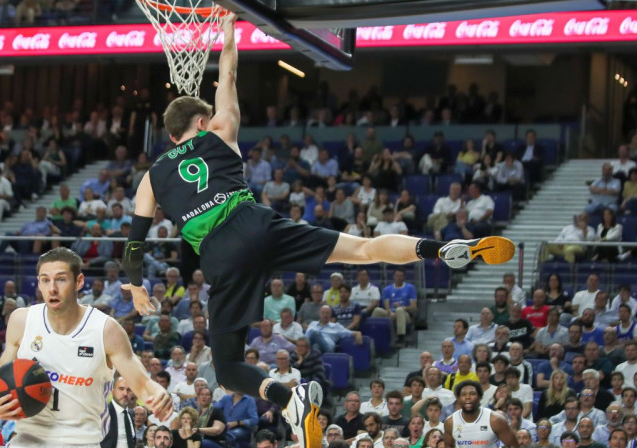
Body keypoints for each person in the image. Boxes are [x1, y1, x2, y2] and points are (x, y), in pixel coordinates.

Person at [122, 13, 515, 448]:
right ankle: (442, 249)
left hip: (219, 252)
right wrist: (229, 26)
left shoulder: (151, 177)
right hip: (257, 223)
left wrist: (137, 287)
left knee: (230, 367)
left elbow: (135, 241)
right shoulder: (221, 130)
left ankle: (289, 400)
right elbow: (228, 70)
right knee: (365, 250)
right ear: (201, 123)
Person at [0, 248, 173, 447]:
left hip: (81, 441)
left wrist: (157, 394)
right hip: (28, 439)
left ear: (79, 282)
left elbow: (141, 383)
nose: (52, 288)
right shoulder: (21, 321)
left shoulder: (106, 330)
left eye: (61, 279)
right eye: (45, 280)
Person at [444, 380, 518, 448]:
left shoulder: (495, 420)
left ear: (480, 397)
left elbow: (513, 445)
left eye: (472, 394)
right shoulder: (450, 422)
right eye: (463, 394)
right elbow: (448, 445)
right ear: (458, 399)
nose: (468, 397)